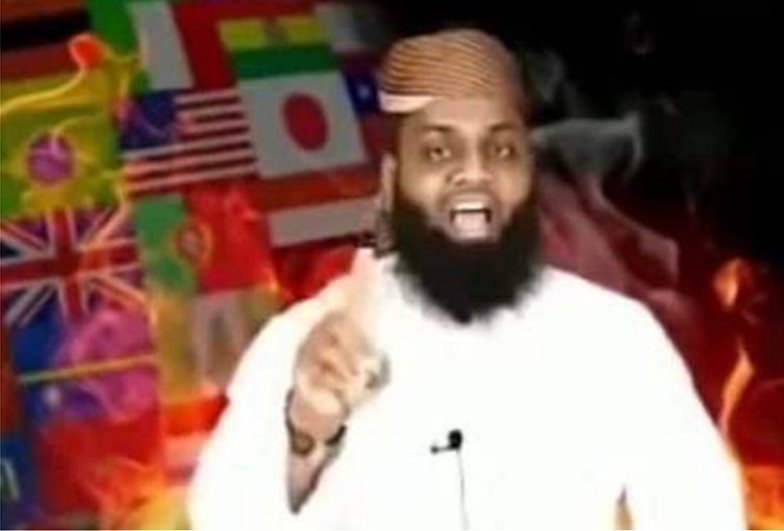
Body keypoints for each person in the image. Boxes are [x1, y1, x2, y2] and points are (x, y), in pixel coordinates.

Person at [188, 28, 745, 530]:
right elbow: (220, 519)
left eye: (501, 149)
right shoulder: (308, 342)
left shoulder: (613, 336)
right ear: (392, 181)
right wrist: (307, 428)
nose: (474, 173)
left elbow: (702, 511)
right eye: (438, 151)